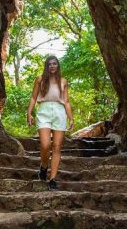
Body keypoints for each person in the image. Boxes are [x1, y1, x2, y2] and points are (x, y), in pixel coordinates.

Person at [26, 55, 74, 190]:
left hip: (59, 112)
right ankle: (44, 166)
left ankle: (52, 179)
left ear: (58, 66)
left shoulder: (63, 81)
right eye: (49, 64)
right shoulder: (40, 79)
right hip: (44, 111)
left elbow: (67, 101)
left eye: (54, 64)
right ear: (46, 66)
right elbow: (33, 97)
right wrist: (29, 113)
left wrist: (71, 118)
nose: (52, 66)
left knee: (57, 146)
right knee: (46, 144)